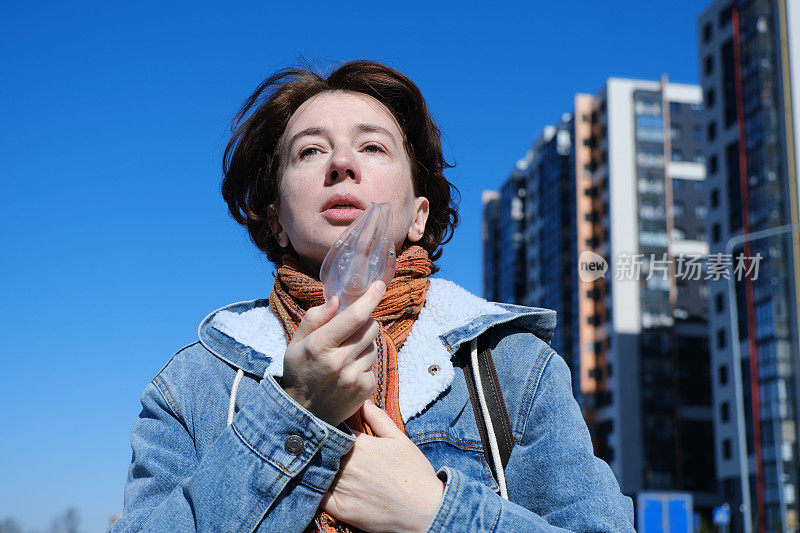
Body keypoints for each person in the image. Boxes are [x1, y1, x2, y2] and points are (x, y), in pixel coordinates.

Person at [109, 59, 635, 532]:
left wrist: (433, 513)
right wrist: (295, 409)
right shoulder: (194, 384)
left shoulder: (512, 367)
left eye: (373, 147)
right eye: (310, 150)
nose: (341, 163)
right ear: (278, 222)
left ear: (417, 215)